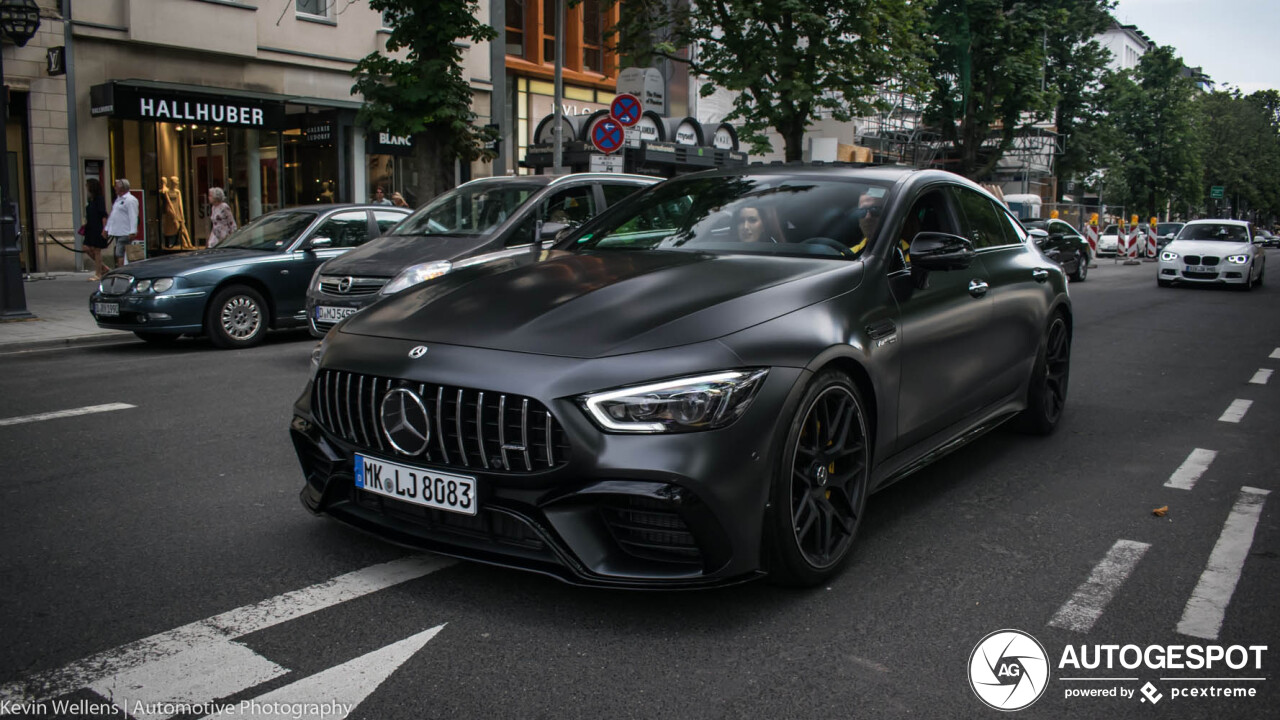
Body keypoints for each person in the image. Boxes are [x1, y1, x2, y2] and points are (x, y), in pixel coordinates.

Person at [104, 178, 140, 268]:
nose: (115, 188)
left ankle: (121, 271)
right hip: (118, 231)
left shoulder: (130, 200)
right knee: (121, 253)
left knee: (119, 253)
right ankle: (123, 269)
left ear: (122, 188)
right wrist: (107, 229)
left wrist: (133, 231)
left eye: (116, 186)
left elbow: (133, 216)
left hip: (125, 232)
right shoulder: (118, 200)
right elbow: (113, 215)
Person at [82, 178, 111, 280]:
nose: (86, 188)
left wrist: (104, 229)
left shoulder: (99, 199)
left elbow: (103, 215)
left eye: (87, 185)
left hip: (97, 227)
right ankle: (103, 267)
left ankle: (98, 273)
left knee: (97, 250)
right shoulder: (91, 199)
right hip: (90, 227)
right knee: (86, 248)